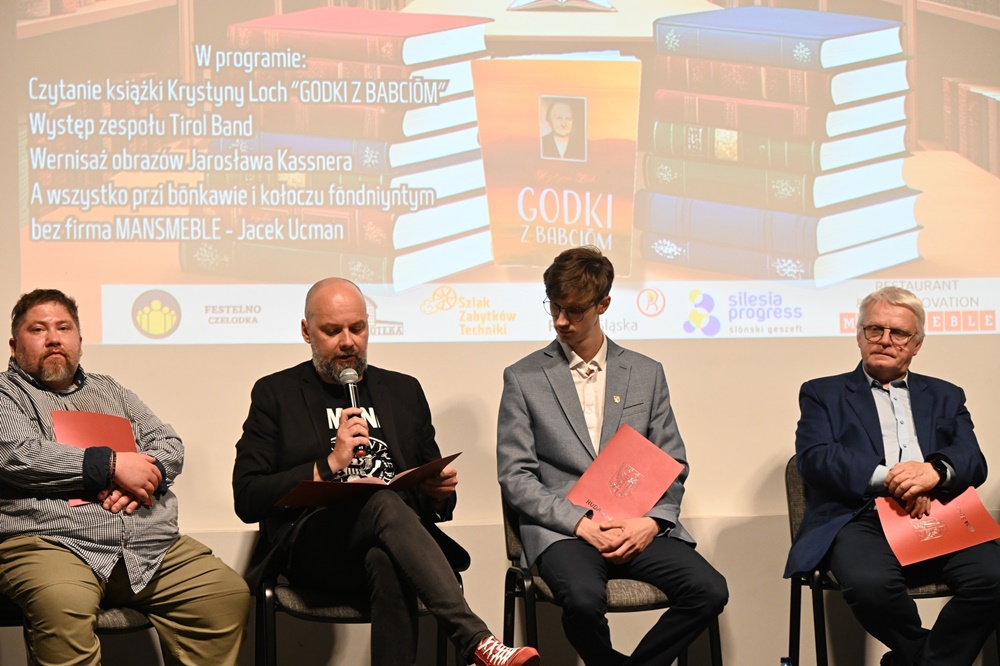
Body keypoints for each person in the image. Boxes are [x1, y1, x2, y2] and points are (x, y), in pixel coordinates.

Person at [232, 277, 539, 666]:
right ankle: (477, 640)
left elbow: (433, 501)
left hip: (388, 543)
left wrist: (436, 492)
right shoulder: (276, 393)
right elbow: (248, 496)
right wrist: (328, 465)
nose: (348, 342)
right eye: (332, 331)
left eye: (357, 328)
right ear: (306, 332)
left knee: (387, 558)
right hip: (314, 551)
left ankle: (478, 645)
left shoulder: (403, 391)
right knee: (381, 500)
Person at [497, 246, 728, 666]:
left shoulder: (645, 372)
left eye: (574, 310)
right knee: (584, 600)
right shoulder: (523, 377)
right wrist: (579, 523)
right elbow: (515, 476)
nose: (561, 320)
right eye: (554, 307)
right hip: (566, 532)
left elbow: (672, 461)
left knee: (710, 590)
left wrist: (652, 523)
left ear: (603, 304)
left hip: (636, 525)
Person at [0, 289, 249, 666]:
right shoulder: (6, 393)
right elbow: (17, 454)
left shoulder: (111, 390)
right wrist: (113, 466)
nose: (53, 338)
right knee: (61, 602)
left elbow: (168, 442)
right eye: (38, 329)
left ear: (79, 341)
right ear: (14, 346)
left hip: (147, 544)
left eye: (64, 328)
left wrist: (145, 479)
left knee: (222, 595)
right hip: (53, 543)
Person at [785, 286, 1000, 666]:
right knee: (870, 586)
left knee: (994, 577)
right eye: (875, 329)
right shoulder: (822, 393)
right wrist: (896, 479)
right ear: (859, 336)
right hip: (861, 516)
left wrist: (933, 472)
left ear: (916, 344)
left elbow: (973, 460)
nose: (885, 340)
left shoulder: (947, 395)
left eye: (899, 332)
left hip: (938, 512)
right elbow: (816, 458)